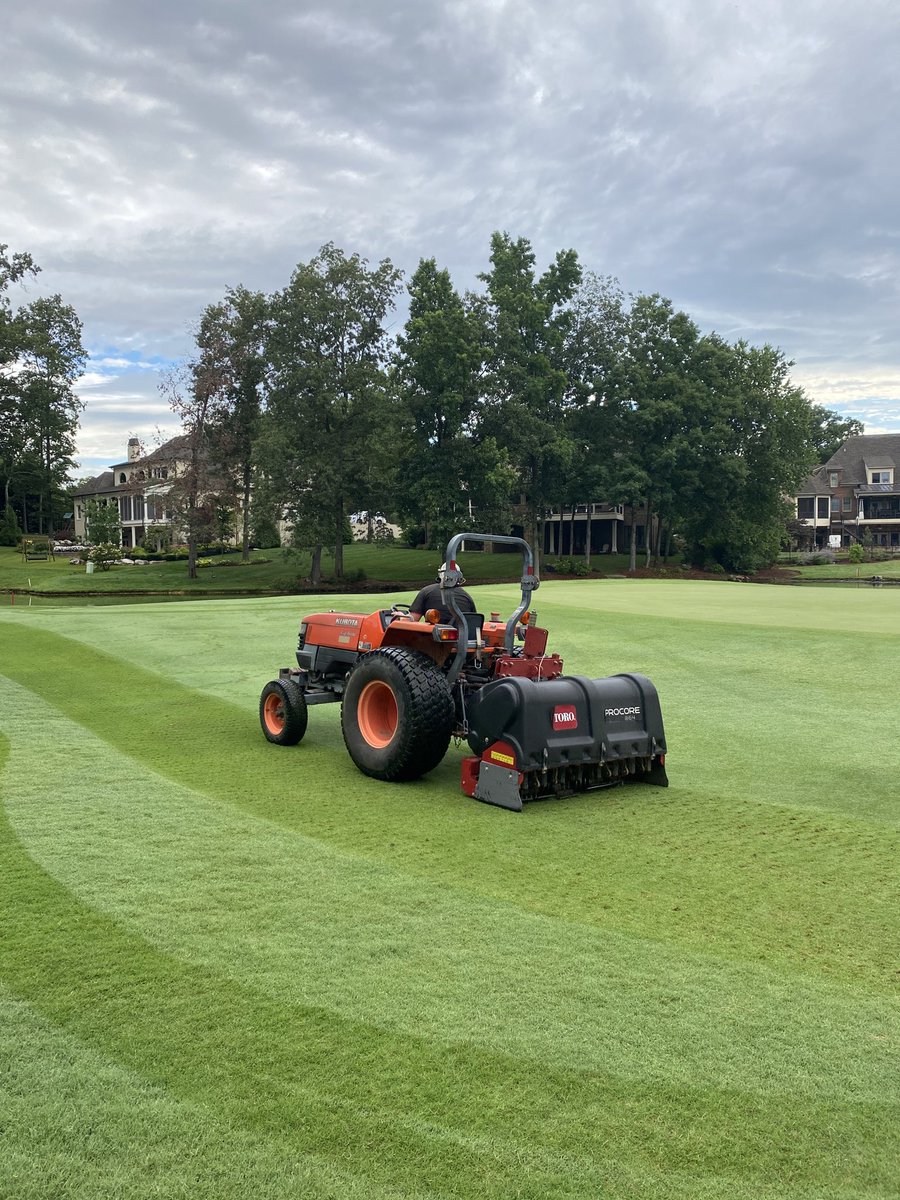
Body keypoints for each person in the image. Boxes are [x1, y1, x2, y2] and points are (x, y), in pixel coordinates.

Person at [409, 564, 476, 624]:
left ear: (441, 574)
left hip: (433, 636)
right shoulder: (467, 597)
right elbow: (473, 622)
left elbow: (412, 620)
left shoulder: (426, 591)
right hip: (461, 636)